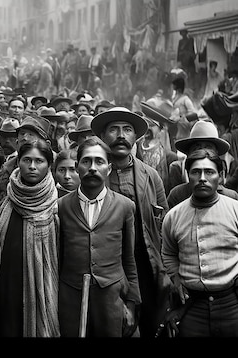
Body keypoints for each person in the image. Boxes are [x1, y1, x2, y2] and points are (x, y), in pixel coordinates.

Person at [91, 106, 171, 337]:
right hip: (108, 264)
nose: (120, 135)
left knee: (148, 323)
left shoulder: (150, 175)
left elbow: (162, 221)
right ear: (104, 137)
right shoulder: (95, 175)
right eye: (113, 129)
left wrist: (163, 269)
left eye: (127, 129)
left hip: (144, 262)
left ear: (135, 137)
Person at [57, 136, 141, 337]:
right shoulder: (60, 206)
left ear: (109, 169)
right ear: (77, 167)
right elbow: (56, 258)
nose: (92, 167)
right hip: (71, 299)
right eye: (86, 161)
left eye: (99, 161)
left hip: (111, 299)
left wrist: (131, 304)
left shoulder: (124, 206)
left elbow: (129, 259)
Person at [162, 148, 238, 337]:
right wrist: (176, 278)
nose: (202, 178)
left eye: (209, 172)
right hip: (192, 305)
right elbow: (169, 253)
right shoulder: (174, 216)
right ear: (188, 176)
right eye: (196, 172)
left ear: (221, 176)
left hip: (231, 303)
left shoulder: (235, 210)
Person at [0, 139, 59, 337]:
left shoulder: (57, 205)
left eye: (39, 161)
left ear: (49, 165)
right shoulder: (5, 203)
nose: (32, 166)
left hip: (44, 290)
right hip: (6, 288)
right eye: (26, 160)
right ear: (18, 162)